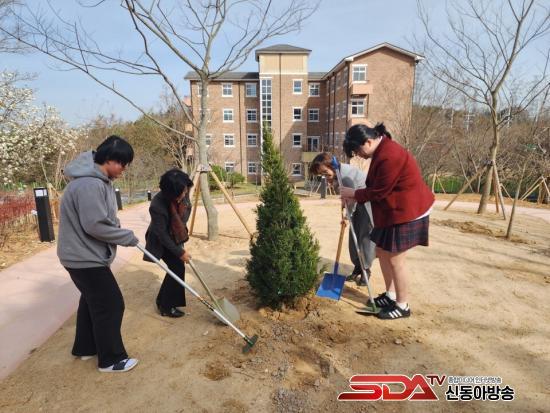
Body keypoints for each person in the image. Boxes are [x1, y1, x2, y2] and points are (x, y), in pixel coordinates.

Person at [57, 135, 139, 373]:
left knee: (91, 300)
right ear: (110, 159)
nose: (124, 169)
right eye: (122, 163)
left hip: (82, 255)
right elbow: (95, 224)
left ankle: (86, 347)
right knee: (111, 304)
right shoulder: (89, 184)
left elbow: (102, 218)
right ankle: (111, 359)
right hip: (83, 257)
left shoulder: (97, 182)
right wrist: (125, 237)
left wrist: (116, 228)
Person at [340, 123, 434, 320]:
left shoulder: (390, 155)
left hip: (408, 210)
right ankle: (391, 295)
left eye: (358, 151)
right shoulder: (381, 150)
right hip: (391, 210)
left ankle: (402, 305)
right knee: (382, 251)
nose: (359, 155)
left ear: (368, 141)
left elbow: (379, 191)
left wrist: (353, 194)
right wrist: (352, 195)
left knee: (395, 259)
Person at [309, 152, 376, 286]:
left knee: (364, 238)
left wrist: (346, 216)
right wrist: (344, 204)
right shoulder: (337, 175)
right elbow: (346, 197)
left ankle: (366, 270)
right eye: (321, 174)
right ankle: (357, 267)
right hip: (356, 202)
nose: (324, 177)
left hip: (367, 205)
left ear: (332, 166)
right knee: (353, 236)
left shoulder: (345, 176)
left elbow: (352, 199)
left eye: (325, 173)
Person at [144, 169, 193, 318]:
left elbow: (183, 216)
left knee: (176, 268)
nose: (184, 195)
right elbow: (162, 235)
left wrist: (180, 237)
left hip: (175, 236)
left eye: (185, 191)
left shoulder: (183, 191)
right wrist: (180, 252)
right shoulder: (157, 205)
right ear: (170, 193)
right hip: (161, 239)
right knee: (177, 267)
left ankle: (162, 301)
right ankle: (166, 306)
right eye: (181, 193)